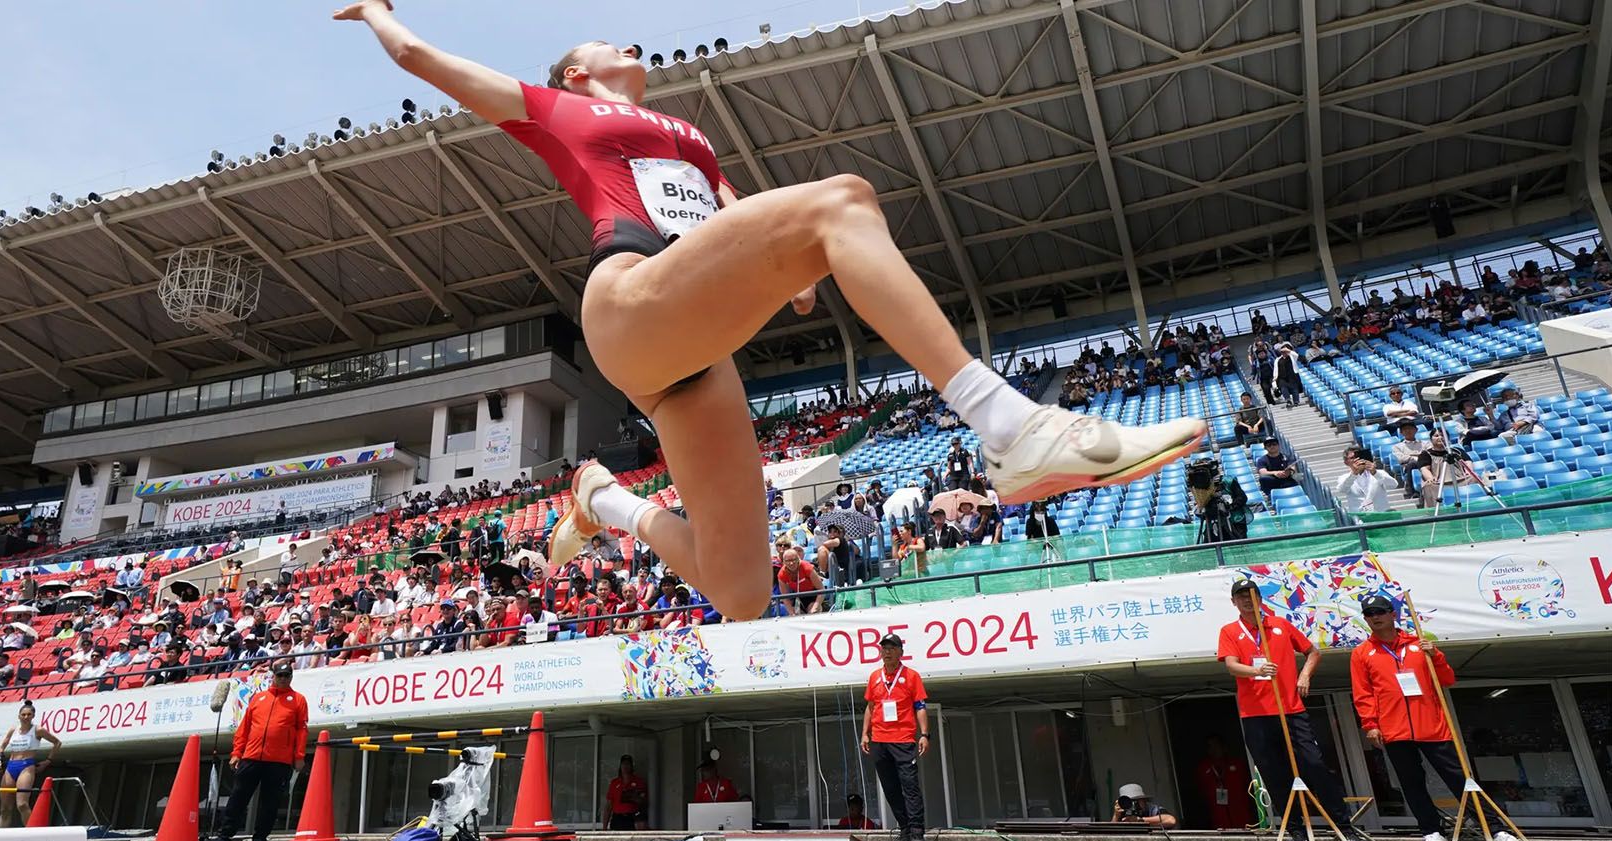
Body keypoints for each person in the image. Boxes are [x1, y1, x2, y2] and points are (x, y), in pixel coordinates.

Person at [334, 2, 1206, 622]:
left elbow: (722, 204)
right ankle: (1008, 424)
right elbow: (421, 61)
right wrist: (379, 13)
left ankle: (606, 503)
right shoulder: (559, 109)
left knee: (741, 590)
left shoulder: (694, 134)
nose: (631, 39)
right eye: (609, 38)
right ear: (576, 70)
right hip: (632, 300)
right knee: (845, 198)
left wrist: (787, 273)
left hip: (697, 352)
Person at [1348, 595, 1526, 841]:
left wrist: (1435, 656)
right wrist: (1371, 724)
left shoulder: (1419, 644)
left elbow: (1446, 679)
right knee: (1411, 783)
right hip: (1394, 729)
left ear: (1392, 614)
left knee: (1459, 778)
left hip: (1432, 725)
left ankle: (1494, 829)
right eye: (1369, 614)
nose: (1374, 617)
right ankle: (1432, 831)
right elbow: (1363, 692)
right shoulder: (1362, 653)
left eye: (1379, 612)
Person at [1216, 580, 1369, 841]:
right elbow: (1231, 665)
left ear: (1260, 599)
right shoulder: (1230, 631)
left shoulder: (1279, 625)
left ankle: (1345, 827)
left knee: (1314, 765)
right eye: (1240, 596)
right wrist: (1257, 671)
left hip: (1290, 709)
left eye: (1251, 595)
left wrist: (1304, 676)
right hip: (1255, 714)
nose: (1246, 600)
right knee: (1274, 773)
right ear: (1233, 602)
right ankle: (1296, 831)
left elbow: (1312, 652)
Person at [204, 660, 308, 841]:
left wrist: (299, 755)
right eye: (280, 675)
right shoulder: (258, 698)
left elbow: (302, 730)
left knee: (270, 803)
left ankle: (259, 840)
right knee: (238, 798)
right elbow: (244, 728)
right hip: (251, 757)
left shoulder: (298, 700)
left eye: (287, 676)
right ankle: (223, 839)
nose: (284, 679)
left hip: (279, 760)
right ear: (273, 676)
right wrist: (237, 753)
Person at [860, 633, 928, 841]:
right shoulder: (874, 677)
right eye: (884, 648)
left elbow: (920, 706)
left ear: (900, 652)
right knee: (890, 789)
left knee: (910, 787)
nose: (887, 651)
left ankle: (917, 833)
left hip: (903, 739)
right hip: (879, 740)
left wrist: (924, 734)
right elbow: (871, 707)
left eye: (891, 647)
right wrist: (865, 733)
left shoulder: (911, 676)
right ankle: (904, 831)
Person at [0, 700, 62, 827]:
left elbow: (57, 743)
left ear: (33, 716)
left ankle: (32, 832)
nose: (26, 717)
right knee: (5, 808)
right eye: (23, 715)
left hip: (26, 766)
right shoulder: (13, 729)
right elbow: (2, 746)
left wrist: (48, 761)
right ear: (19, 716)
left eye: (29, 715)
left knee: (22, 804)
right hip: (11, 766)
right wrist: (0, 759)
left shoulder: (38, 730)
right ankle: (2, 836)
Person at [1194, 735, 1253, 829]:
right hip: (1219, 819)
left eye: (1216, 746)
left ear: (1224, 747)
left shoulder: (1238, 764)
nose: (1214, 750)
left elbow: (1249, 787)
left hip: (1241, 815)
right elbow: (1201, 793)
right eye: (1210, 746)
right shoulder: (1203, 768)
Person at [1334, 447, 1399, 514]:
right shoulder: (1343, 478)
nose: (1357, 459)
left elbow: (1394, 485)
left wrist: (1375, 473)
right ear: (1346, 462)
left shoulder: (1379, 473)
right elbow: (1342, 489)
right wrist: (1354, 474)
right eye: (1352, 458)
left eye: (1358, 456)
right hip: (1360, 518)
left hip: (1382, 514)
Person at [605, 754, 649, 831]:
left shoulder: (639, 782)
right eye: (623, 764)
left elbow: (644, 802)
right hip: (617, 818)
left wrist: (634, 797)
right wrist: (604, 827)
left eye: (628, 764)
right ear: (620, 766)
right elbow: (609, 806)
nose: (625, 766)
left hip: (633, 818)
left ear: (631, 766)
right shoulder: (614, 783)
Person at [1111, 783, 1178, 829]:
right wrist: (1116, 816)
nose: (1134, 805)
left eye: (1137, 801)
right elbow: (1110, 833)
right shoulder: (1122, 812)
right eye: (1130, 802)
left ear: (1144, 800)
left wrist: (1140, 820)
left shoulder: (1153, 810)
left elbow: (1171, 820)